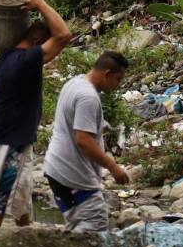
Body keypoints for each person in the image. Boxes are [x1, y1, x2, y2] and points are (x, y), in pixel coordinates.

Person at [0, 0, 72, 247]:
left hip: (14, 136)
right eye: (45, 49)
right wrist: (42, 4)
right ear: (36, 42)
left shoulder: (9, 56)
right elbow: (64, 35)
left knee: (21, 193)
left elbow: (58, 39)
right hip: (9, 139)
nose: (50, 57)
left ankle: (25, 238)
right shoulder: (24, 60)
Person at [43, 51, 131, 232]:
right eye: (118, 79)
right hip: (73, 175)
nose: (118, 85)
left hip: (56, 170)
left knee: (75, 226)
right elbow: (83, 140)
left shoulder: (74, 83)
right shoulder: (88, 97)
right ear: (106, 74)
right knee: (95, 226)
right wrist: (112, 166)